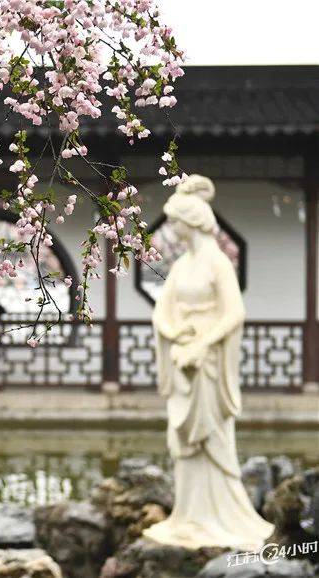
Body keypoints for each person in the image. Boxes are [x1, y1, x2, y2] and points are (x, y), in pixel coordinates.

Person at [142, 175, 273, 550]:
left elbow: (234, 313)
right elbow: (161, 311)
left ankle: (219, 516)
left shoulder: (217, 263)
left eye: (176, 221)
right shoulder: (182, 265)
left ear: (192, 221)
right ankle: (188, 516)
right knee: (183, 441)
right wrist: (173, 331)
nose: (173, 228)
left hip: (207, 360)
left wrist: (203, 343)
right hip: (182, 355)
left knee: (211, 437)